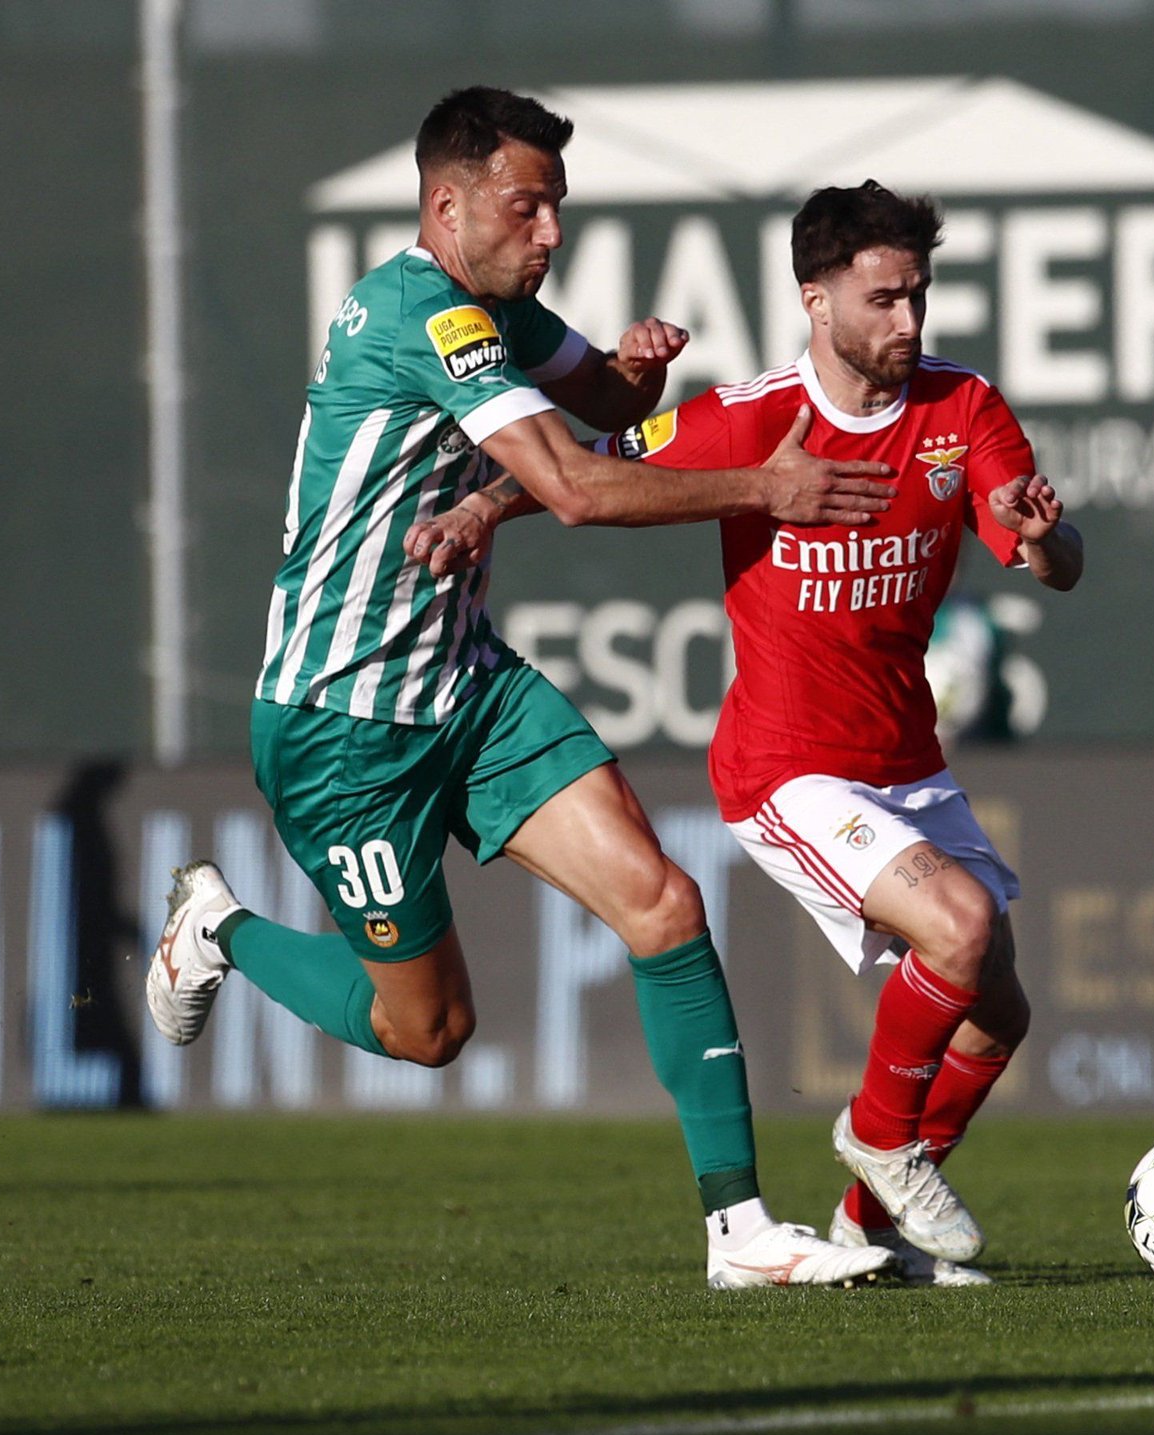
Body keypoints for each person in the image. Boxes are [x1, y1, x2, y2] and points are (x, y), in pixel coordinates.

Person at [145, 87, 903, 1290]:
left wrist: (635, 368)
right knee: (428, 1030)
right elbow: (573, 487)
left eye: (556, 206)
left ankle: (740, 1232)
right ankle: (217, 927)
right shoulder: (426, 314)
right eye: (525, 206)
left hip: (466, 686)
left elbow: (605, 406)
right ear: (446, 206)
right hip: (342, 724)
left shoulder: (496, 308)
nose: (549, 231)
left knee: (663, 903)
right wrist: (765, 488)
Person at [433, 182, 1084, 1284]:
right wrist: (485, 505)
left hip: (907, 763)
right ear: (815, 301)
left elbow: (1050, 558)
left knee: (996, 1013)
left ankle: (867, 1229)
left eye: (918, 294)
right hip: (788, 769)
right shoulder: (751, 417)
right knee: (962, 927)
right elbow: (590, 463)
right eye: (882, 299)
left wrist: (1044, 542)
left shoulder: (964, 405)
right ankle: (878, 1138)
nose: (908, 320)